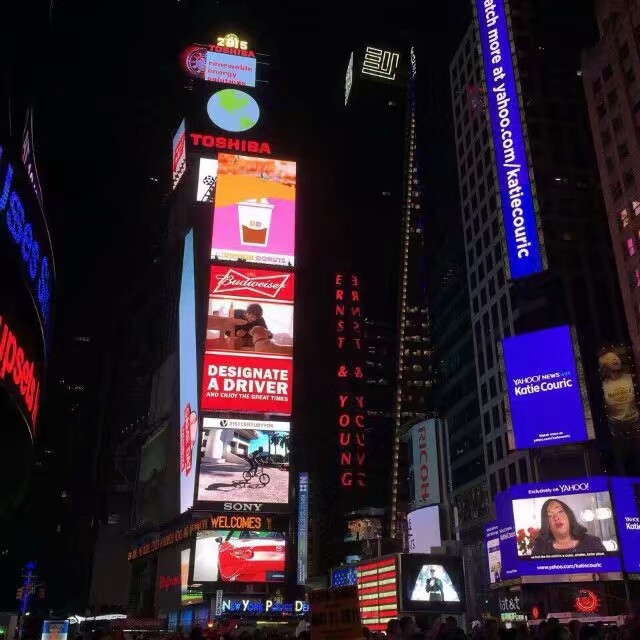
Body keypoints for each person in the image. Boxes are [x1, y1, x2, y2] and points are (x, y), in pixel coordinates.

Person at [531, 499, 607, 556]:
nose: (556, 517)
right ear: (546, 523)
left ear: (569, 515)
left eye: (560, 511)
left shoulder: (593, 542)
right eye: (550, 516)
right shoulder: (540, 548)